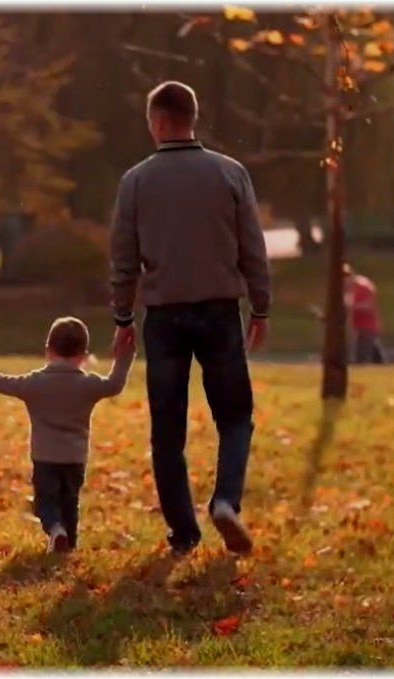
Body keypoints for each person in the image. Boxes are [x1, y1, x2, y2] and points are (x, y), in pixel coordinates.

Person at [108, 81, 271, 556]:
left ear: (158, 122)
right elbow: (252, 248)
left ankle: (183, 533)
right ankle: (225, 500)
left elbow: (123, 259)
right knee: (235, 416)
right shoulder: (230, 173)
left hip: (163, 317)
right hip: (220, 311)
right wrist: (259, 306)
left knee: (167, 431)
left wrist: (122, 317)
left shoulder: (135, 181)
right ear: (191, 117)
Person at [0, 317, 135, 553]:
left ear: (48, 351)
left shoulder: (35, 383)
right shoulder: (89, 384)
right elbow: (115, 384)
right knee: (70, 502)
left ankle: (56, 531)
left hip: (45, 458)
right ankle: (68, 543)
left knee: (45, 504)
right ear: (83, 355)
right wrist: (124, 355)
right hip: (76, 459)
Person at [343, 264, 386, 364]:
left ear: (351, 275)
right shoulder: (346, 288)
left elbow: (369, 305)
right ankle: (383, 367)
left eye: (346, 276)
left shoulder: (364, 286)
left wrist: (353, 307)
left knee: (361, 357)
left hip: (368, 326)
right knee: (373, 354)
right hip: (357, 326)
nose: (344, 280)